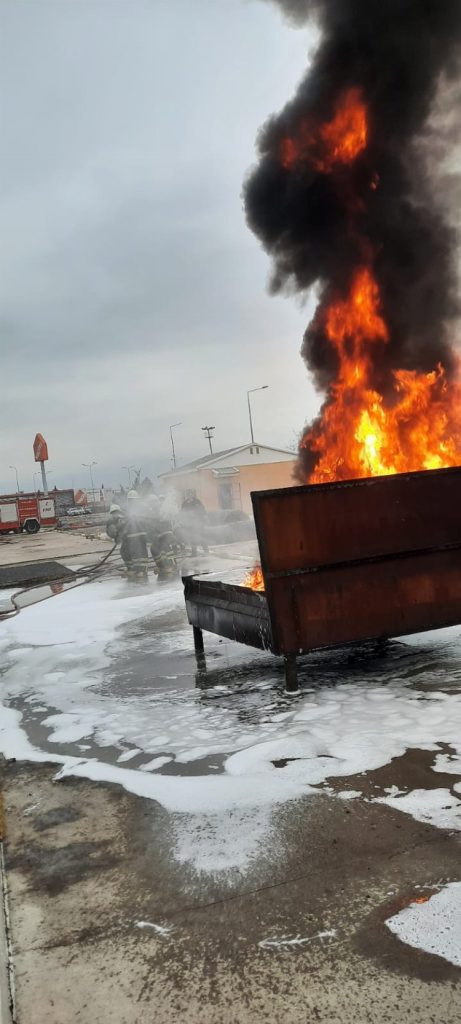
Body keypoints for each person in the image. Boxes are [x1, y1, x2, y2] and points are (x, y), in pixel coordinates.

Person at [121, 490, 150, 580]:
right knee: (128, 553)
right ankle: (132, 569)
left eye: (133, 499)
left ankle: (142, 570)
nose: (132, 501)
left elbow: (147, 521)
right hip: (130, 537)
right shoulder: (126, 509)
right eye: (130, 500)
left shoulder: (142, 508)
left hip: (140, 536)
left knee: (140, 554)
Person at [180, 492, 209, 556]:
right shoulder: (184, 503)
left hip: (198, 522)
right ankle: (194, 553)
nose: (189, 495)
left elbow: (202, 509)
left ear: (193, 495)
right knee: (192, 538)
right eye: (188, 494)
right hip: (189, 523)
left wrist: (204, 517)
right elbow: (182, 512)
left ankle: (206, 551)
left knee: (201, 536)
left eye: (191, 494)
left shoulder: (197, 501)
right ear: (186, 495)